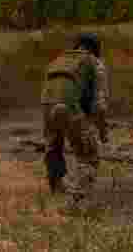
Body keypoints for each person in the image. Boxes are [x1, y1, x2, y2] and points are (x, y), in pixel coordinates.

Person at [40, 32, 109, 207]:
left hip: (47, 104)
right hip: (67, 108)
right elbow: (99, 106)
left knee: (53, 145)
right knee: (89, 155)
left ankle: (56, 184)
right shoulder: (95, 63)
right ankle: (78, 203)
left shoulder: (60, 59)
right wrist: (102, 132)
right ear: (96, 49)